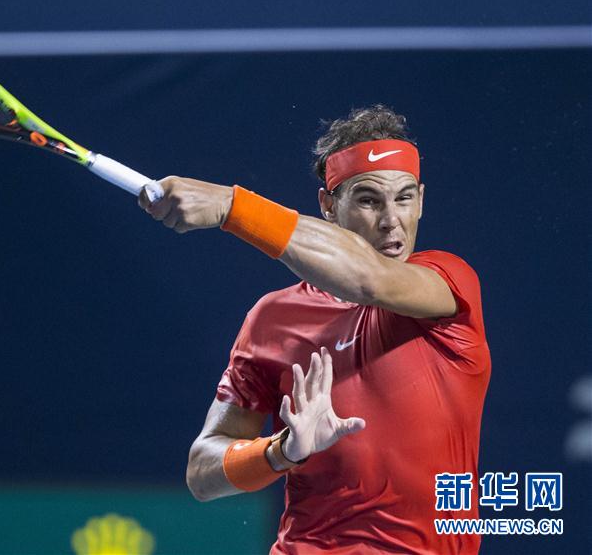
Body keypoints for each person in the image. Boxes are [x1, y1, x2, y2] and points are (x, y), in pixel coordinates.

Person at [139, 106, 491, 555]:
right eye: (368, 200)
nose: (391, 220)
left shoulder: (449, 282)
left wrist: (233, 206)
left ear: (421, 200)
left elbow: (367, 279)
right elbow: (202, 475)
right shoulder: (272, 319)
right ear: (328, 206)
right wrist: (281, 451)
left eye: (404, 198)